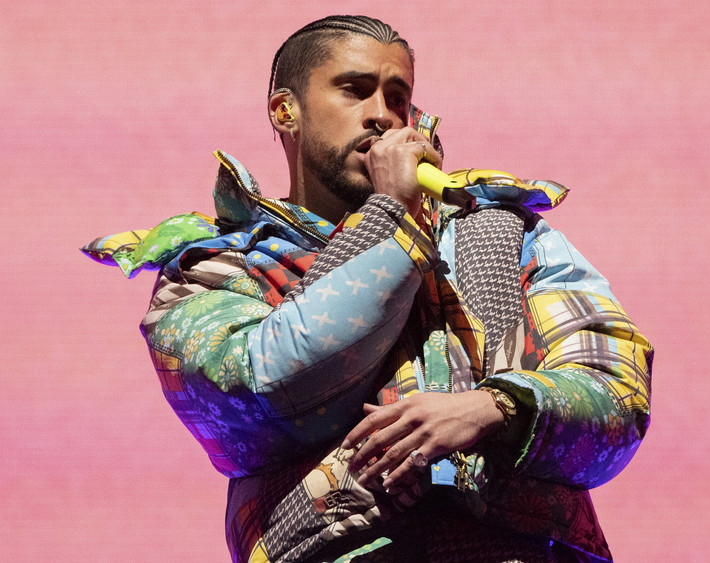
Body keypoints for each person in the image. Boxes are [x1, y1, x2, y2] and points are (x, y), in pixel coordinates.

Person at [82, 15, 652, 563]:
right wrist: (391, 217)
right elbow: (262, 392)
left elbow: (618, 393)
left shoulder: (505, 233)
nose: (382, 115)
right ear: (285, 111)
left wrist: (496, 407)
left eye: (397, 97)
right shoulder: (210, 267)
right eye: (355, 90)